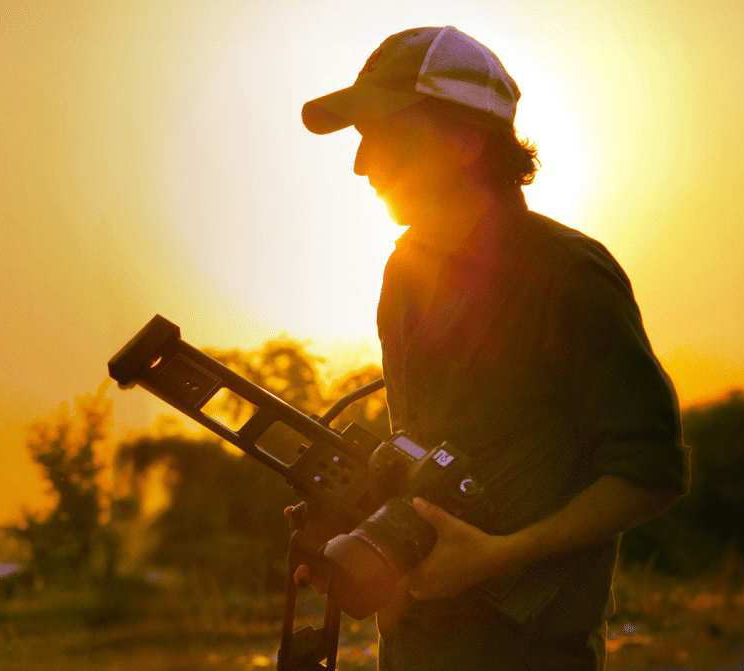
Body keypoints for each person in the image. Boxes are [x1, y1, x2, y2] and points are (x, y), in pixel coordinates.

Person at [292, 26, 691, 670]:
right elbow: (419, 451)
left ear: (465, 140)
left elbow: (650, 474)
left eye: (381, 134)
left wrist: (498, 556)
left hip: (529, 653)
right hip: (415, 648)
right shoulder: (405, 271)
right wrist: (356, 524)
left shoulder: (569, 274)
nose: (361, 164)